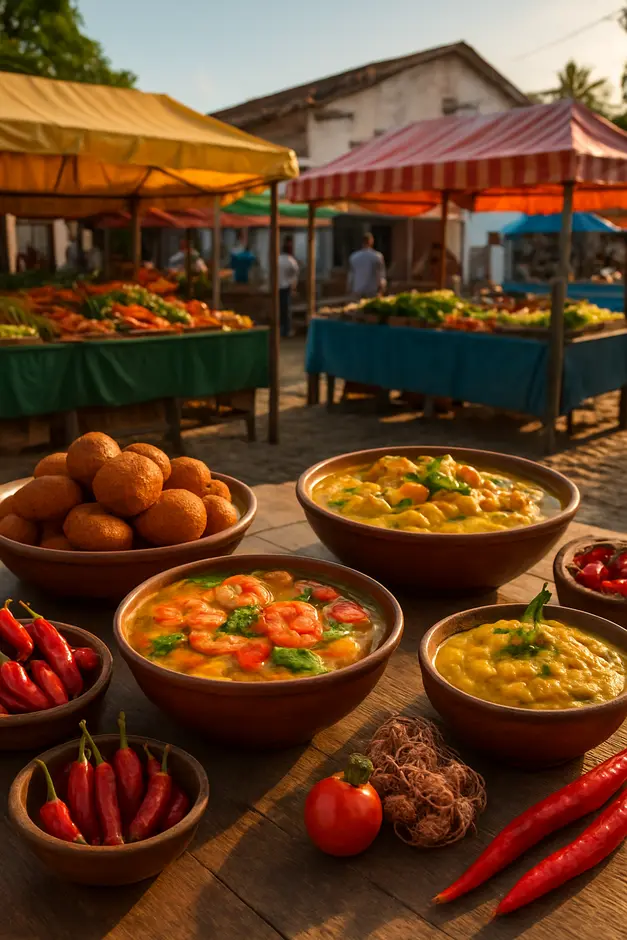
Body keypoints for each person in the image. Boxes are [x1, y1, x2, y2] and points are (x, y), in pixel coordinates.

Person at [347, 233, 386, 299]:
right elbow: (380, 274)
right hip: (372, 290)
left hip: (358, 289)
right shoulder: (377, 256)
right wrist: (382, 287)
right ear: (371, 241)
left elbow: (351, 274)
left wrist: (349, 287)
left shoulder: (354, 257)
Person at [278, 235, 299, 337]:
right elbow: (295, 275)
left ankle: (281, 329)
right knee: (286, 310)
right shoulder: (291, 261)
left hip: (277, 287)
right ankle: (286, 330)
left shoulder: (277, 259)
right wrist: (293, 287)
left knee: (280, 310)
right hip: (286, 287)